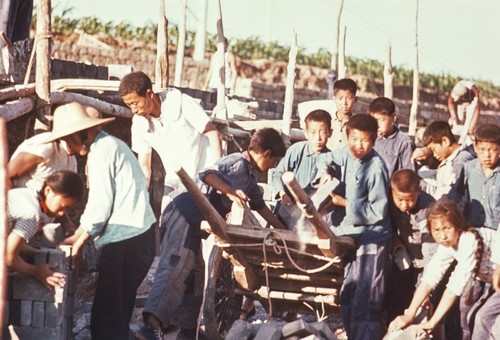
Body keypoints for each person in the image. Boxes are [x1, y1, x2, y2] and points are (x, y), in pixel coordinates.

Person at [136, 128, 287, 340]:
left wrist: (283, 229)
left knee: (197, 277)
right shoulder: (238, 162)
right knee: (177, 267)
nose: (272, 167)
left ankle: (187, 331)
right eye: (273, 162)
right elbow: (207, 175)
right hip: (186, 213)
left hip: (198, 225)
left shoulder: (251, 178)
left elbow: (261, 207)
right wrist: (230, 191)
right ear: (266, 153)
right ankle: (150, 326)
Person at [48, 102, 156, 340]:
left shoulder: (103, 152)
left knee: (105, 323)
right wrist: (78, 235)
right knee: (116, 316)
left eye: (69, 140)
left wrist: (77, 243)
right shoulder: (111, 146)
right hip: (137, 237)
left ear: (81, 134)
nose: (70, 148)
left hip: (127, 241)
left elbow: (100, 207)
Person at [317, 114, 391, 340]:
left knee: (366, 298)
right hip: (351, 235)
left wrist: (344, 203)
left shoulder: (376, 167)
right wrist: (324, 172)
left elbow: (378, 212)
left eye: (365, 140)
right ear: (346, 136)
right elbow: (326, 158)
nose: (359, 145)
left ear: (374, 140)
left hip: (373, 238)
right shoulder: (345, 153)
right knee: (348, 293)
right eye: (354, 139)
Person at [387, 199, 496, 340]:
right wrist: (410, 314)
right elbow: (429, 279)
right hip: (489, 280)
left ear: (457, 226)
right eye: (437, 230)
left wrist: (431, 323)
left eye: (447, 228)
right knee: (464, 310)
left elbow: (454, 287)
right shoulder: (446, 246)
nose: (442, 236)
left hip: (495, 282)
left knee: (483, 317)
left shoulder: (469, 240)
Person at [119, 71, 223, 212]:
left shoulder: (181, 103)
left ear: (149, 94)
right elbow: (144, 167)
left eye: (135, 103)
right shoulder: (138, 124)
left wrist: (217, 176)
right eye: (129, 105)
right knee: (167, 225)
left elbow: (213, 134)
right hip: (174, 183)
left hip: (204, 180)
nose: (133, 110)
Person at [6, 170, 83, 290]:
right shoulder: (32, 215)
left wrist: (41, 254)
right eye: (62, 207)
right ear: (48, 191)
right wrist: (36, 271)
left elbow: (10, 243)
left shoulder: (27, 195)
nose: (61, 213)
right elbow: (8, 256)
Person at [385, 169, 437, 323]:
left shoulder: (429, 210)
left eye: (409, 200)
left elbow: (431, 252)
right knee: (396, 299)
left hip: (426, 262)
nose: (404, 205)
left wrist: (427, 288)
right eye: (399, 199)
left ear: (418, 192)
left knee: (421, 303)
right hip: (404, 256)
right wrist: (394, 239)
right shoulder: (389, 200)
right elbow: (387, 223)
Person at [272, 109, 332, 205]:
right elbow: (278, 174)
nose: (318, 138)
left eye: (322, 132)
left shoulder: (331, 158)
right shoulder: (296, 150)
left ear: (330, 132)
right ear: (306, 133)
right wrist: (282, 193)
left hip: (314, 210)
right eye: (313, 132)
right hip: (288, 203)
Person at [448, 123, 500, 231]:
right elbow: (456, 192)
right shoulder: (469, 168)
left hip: (496, 231)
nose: (487, 155)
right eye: (482, 150)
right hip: (472, 227)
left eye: (492, 150)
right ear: (475, 147)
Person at [412, 121, 476, 200]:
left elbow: (456, 196)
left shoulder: (460, 162)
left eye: (434, 149)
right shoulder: (449, 158)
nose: (434, 155)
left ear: (445, 141)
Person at [8, 128, 77, 193]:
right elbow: (6, 175)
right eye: (83, 135)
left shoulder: (72, 160)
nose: (87, 140)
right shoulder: (47, 147)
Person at [369, 97, 415, 179]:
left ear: (393, 117)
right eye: (373, 120)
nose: (376, 124)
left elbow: (409, 176)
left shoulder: (404, 142)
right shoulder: (368, 138)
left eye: (381, 120)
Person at [327, 78, 358, 150]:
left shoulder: (357, 124)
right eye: (340, 98)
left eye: (349, 98)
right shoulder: (327, 121)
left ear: (355, 100)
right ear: (334, 99)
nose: (344, 103)